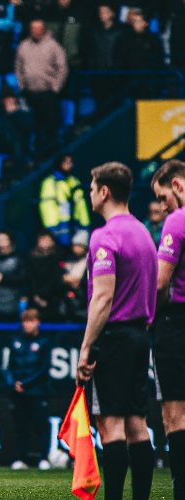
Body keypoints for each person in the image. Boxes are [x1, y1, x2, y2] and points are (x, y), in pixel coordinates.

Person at [78, 162, 157, 500]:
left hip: (114, 338)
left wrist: (86, 348)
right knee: (137, 424)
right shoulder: (144, 233)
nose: (89, 195)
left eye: (91, 188)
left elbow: (103, 297)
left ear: (104, 191)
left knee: (110, 425)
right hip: (140, 336)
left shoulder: (104, 236)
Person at [153, 159, 185, 493]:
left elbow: (161, 283)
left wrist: (149, 317)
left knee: (175, 414)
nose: (163, 207)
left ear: (177, 185)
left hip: (176, 324)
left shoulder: (177, 220)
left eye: (163, 197)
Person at [4, 309, 53, 470]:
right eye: (25, 321)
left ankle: (43, 458)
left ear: (37, 322)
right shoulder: (15, 340)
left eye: (31, 321)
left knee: (41, 426)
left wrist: (25, 383)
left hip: (37, 391)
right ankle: (21, 458)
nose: (27, 324)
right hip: (18, 393)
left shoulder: (44, 342)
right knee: (20, 426)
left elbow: (43, 369)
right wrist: (13, 383)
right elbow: (9, 366)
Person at [14, 20, 67, 150]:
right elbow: (18, 66)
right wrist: (21, 85)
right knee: (33, 125)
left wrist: (55, 87)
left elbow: (62, 68)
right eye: (33, 28)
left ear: (44, 29)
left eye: (38, 28)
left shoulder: (53, 46)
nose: (35, 31)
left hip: (47, 93)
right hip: (29, 92)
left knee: (49, 125)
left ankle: (49, 151)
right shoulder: (23, 46)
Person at [39, 155, 90, 246]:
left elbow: (81, 205)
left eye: (70, 162)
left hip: (75, 225)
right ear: (59, 163)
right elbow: (47, 207)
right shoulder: (49, 182)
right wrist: (52, 228)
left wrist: (85, 225)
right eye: (66, 162)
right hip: (59, 227)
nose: (70, 165)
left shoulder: (74, 181)